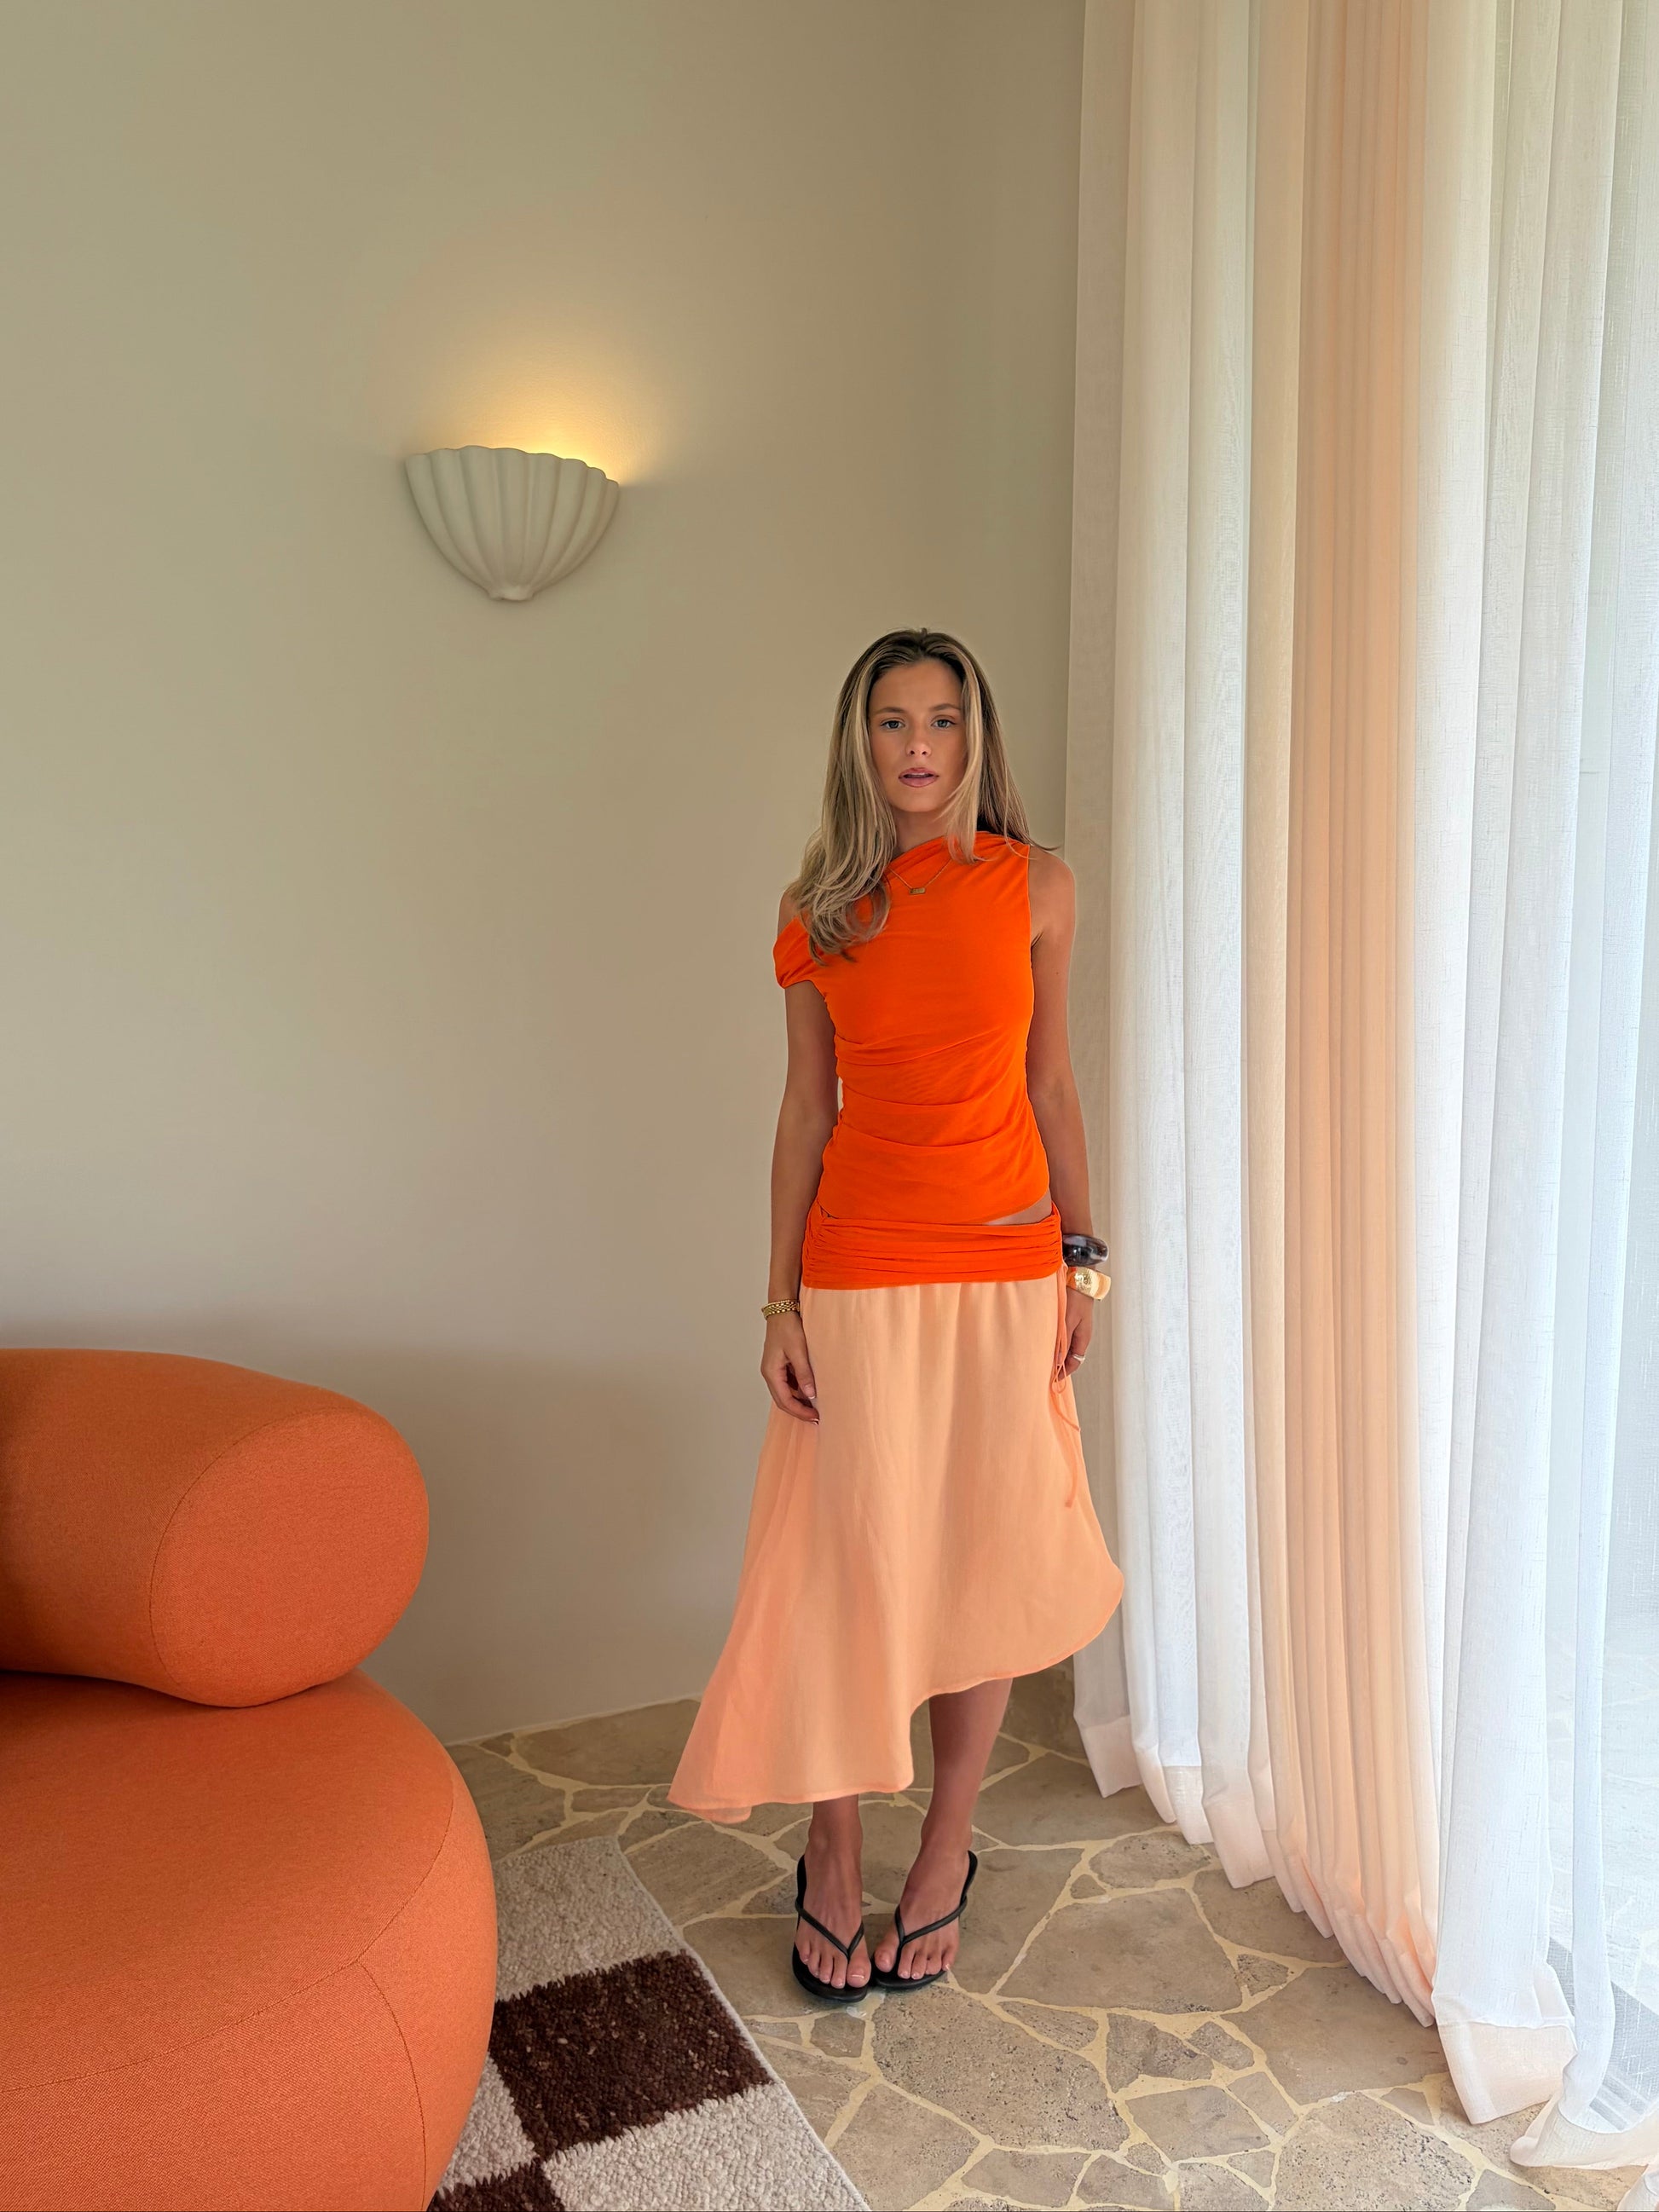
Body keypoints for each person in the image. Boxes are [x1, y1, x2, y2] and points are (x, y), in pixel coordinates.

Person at [668, 627, 1123, 2001]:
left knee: (980, 1557)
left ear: (974, 738)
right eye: (890, 720)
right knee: (846, 1566)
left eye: (941, 719)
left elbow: (1051, 1083)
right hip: (860, 1271)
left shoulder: (1035, 885)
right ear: (857, 741)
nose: (918, 745)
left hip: (1004, 1269)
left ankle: (943, 1846)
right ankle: (831, 1842)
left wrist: (1082, 1263)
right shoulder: (820, 905)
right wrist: (777, 1300)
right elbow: (803, 1113)